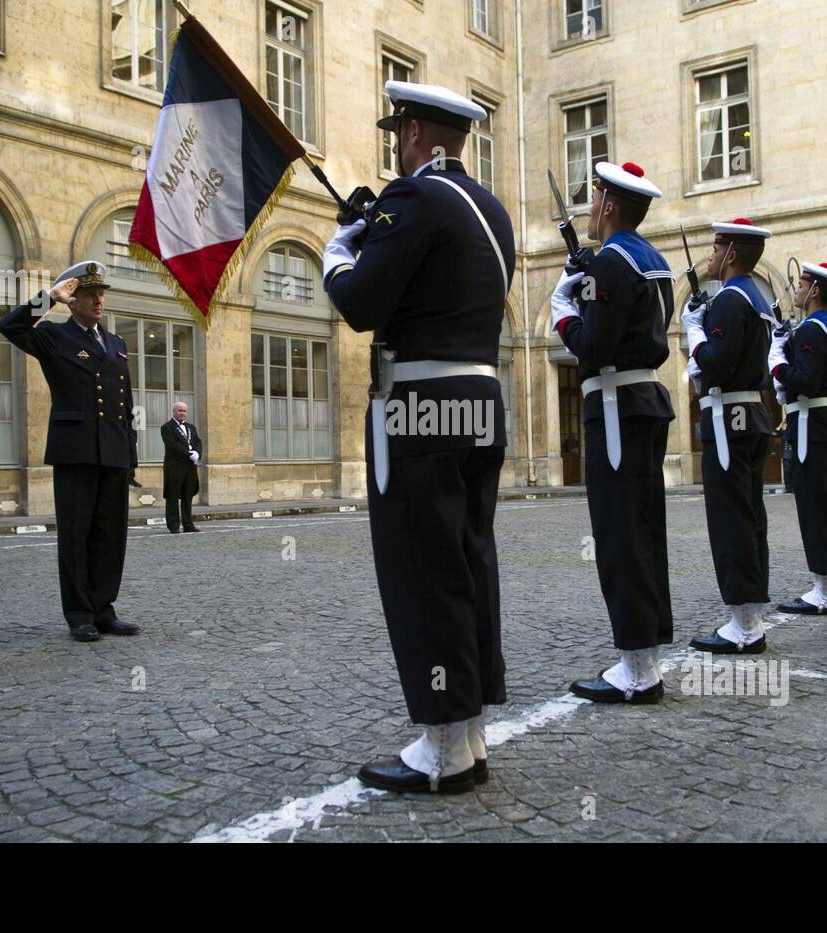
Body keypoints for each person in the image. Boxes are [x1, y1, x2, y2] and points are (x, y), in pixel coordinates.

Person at [322, 81, 514, 794]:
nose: (393, 150)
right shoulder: (489, 209)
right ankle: (467, 729)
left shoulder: (416, 199)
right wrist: (382, 232)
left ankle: (440, 746)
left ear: (413, 135)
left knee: (421, 570)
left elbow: (361, 301)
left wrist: (341, 247)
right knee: (467, 564)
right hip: (478, 401)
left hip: (420, 407)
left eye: (396, 135)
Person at [549, 160, 674, 704]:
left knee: (620, 536)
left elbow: (593, 349)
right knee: (643, 531)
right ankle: (643, 655)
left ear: (610, 206)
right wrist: (589, 285)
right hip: (643, 401)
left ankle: (637, 668)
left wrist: (563, 311)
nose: (589, 206)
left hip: (618, 405)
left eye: (595, 197)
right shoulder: (652, 259)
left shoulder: (613, 262)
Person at [0, 261, 141, 642]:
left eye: (101, 293)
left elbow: (124, 403)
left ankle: (103, 608)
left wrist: (131, 453)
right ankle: (79, 614)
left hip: (112, 450)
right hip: (75, 450)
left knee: (110, 535)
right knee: (75, 535)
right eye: (90, 294)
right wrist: (48, 298)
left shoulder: (116, 343)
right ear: (73, 299)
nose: (99, 300)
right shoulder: (53, 337)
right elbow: (9, 327)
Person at [682, 218, 775, 653]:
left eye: (716, 248)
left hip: (729, 417)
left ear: (732, 253)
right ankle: (750, 614)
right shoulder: (756, 298)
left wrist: (695, 331)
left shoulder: (730, 300)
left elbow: (714, 365)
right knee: (751, 515)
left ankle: (743, 622)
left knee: (731, 520)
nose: (712, 256)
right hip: (751, 413)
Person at [770, 261, 827, 615]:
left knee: (815, 508)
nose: (796, 290)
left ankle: (825, 589)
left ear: (816, 290)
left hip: (812, 424)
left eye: (801, 284)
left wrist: (777, 360)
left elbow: (803, 380)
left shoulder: (813, 329)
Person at [161, 401, 202, 533]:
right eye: (179, 410)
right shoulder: (167, 427)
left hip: (189, 467)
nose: (182, 413)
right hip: (175, 466)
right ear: (174, 411)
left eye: (184, 411)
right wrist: (188, 453)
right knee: (172, 496)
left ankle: (188, 524)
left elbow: (198, 441)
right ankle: (173, 525)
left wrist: (197, 453)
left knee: (187, 496)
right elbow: (172, 445)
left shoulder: (191, 427)